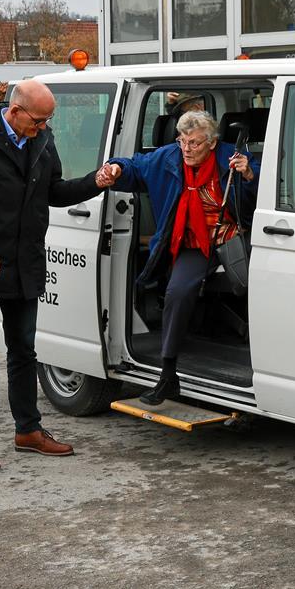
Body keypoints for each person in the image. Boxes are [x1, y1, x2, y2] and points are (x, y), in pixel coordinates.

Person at [0, 80, 115, 470]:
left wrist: (94, 182)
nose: (44, 127)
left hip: (26, 264)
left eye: (49, 121)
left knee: (24, 352)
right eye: (38, 120)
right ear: (14, 111)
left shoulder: (41, 140)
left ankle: (27, 431)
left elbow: (54, 191)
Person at [98, 109, 258, 405]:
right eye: (182, 141)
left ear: (211, 143)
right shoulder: (168, 158)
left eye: (194, 143)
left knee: (271, 279)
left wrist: (248, 174)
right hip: (191, 243)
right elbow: (135, 167)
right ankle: (168, 375)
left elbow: (257, 195)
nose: (186, 148)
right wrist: (116, 169)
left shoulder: (229, 159)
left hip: (231, 238)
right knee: (177, 291)